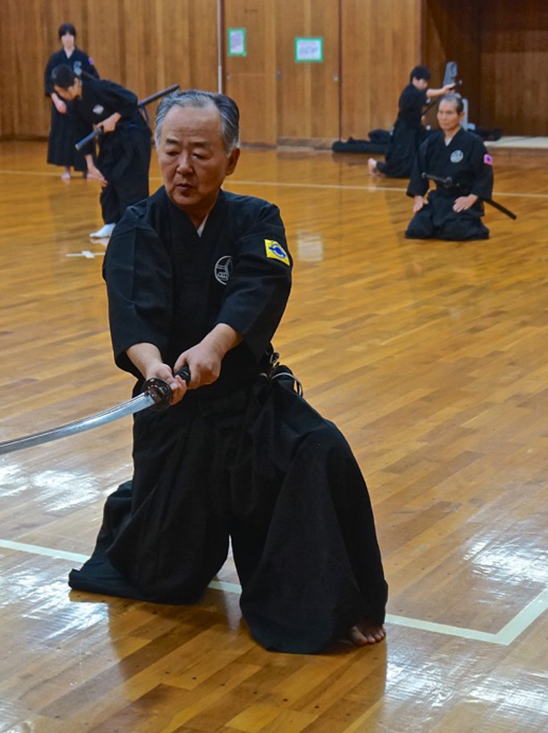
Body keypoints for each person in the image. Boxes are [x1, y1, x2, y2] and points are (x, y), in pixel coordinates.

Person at [67, 90, 388, 654]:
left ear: (231, 158)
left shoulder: (256, 218)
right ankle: (134, 502)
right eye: (171, 151)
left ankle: (338, 600)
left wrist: (215, 347)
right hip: (176, 407)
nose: (183, 167)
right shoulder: (138, 226)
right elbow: (131, 310)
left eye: (200, 152)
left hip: (250, 399)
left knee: (323, 447)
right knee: (166, 579)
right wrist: (155, 369)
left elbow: (260, 285)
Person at [51, 65, 151, 238]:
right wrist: (90, 165)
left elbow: (131, 99)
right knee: (106, 176)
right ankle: (111, 222)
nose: (63, 96)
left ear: (75, 83)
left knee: (128, 177)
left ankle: (135, 223)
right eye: (59, 92)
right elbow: (82, 133)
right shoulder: (73, 105)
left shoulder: (99, 87)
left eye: (64, 91)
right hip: (109, 139)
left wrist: (114, 118)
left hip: (132, 134)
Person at [405, 94, 493, 241]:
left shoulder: (474, 143)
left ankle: (470, 226)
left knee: (455, 231)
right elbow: (419, 169)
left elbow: (485, 173)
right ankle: (440, 225)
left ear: (461, 115)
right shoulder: (431, 142)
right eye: (440, 112)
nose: (443, 117)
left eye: (449, 113)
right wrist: (418, 196)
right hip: (439, 198)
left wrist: (471, 198)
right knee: (416, 229)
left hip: (461, 199)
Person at [368, 66, 454, 178]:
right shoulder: (409, 92)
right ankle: (374, 164)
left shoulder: (416, 93)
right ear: (415, 80)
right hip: (404, 131)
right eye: (423, 82)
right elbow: (426, 94)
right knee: (401, 166)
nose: (425, 85)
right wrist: (442, 91)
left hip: (416, 130)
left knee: (432, 142)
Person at [44, 23, 100, 181]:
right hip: (61, 105)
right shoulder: (55, 59)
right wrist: (56, 101)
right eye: (64, 35)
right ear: (60, 38)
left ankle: (86, 169)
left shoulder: (82, 57)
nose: (67, 38)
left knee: (83, 133)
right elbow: (48, 82)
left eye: (70, 35)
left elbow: (93, 77)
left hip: (79, 103)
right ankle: (66, 169)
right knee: (64, 136)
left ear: (74, 37)